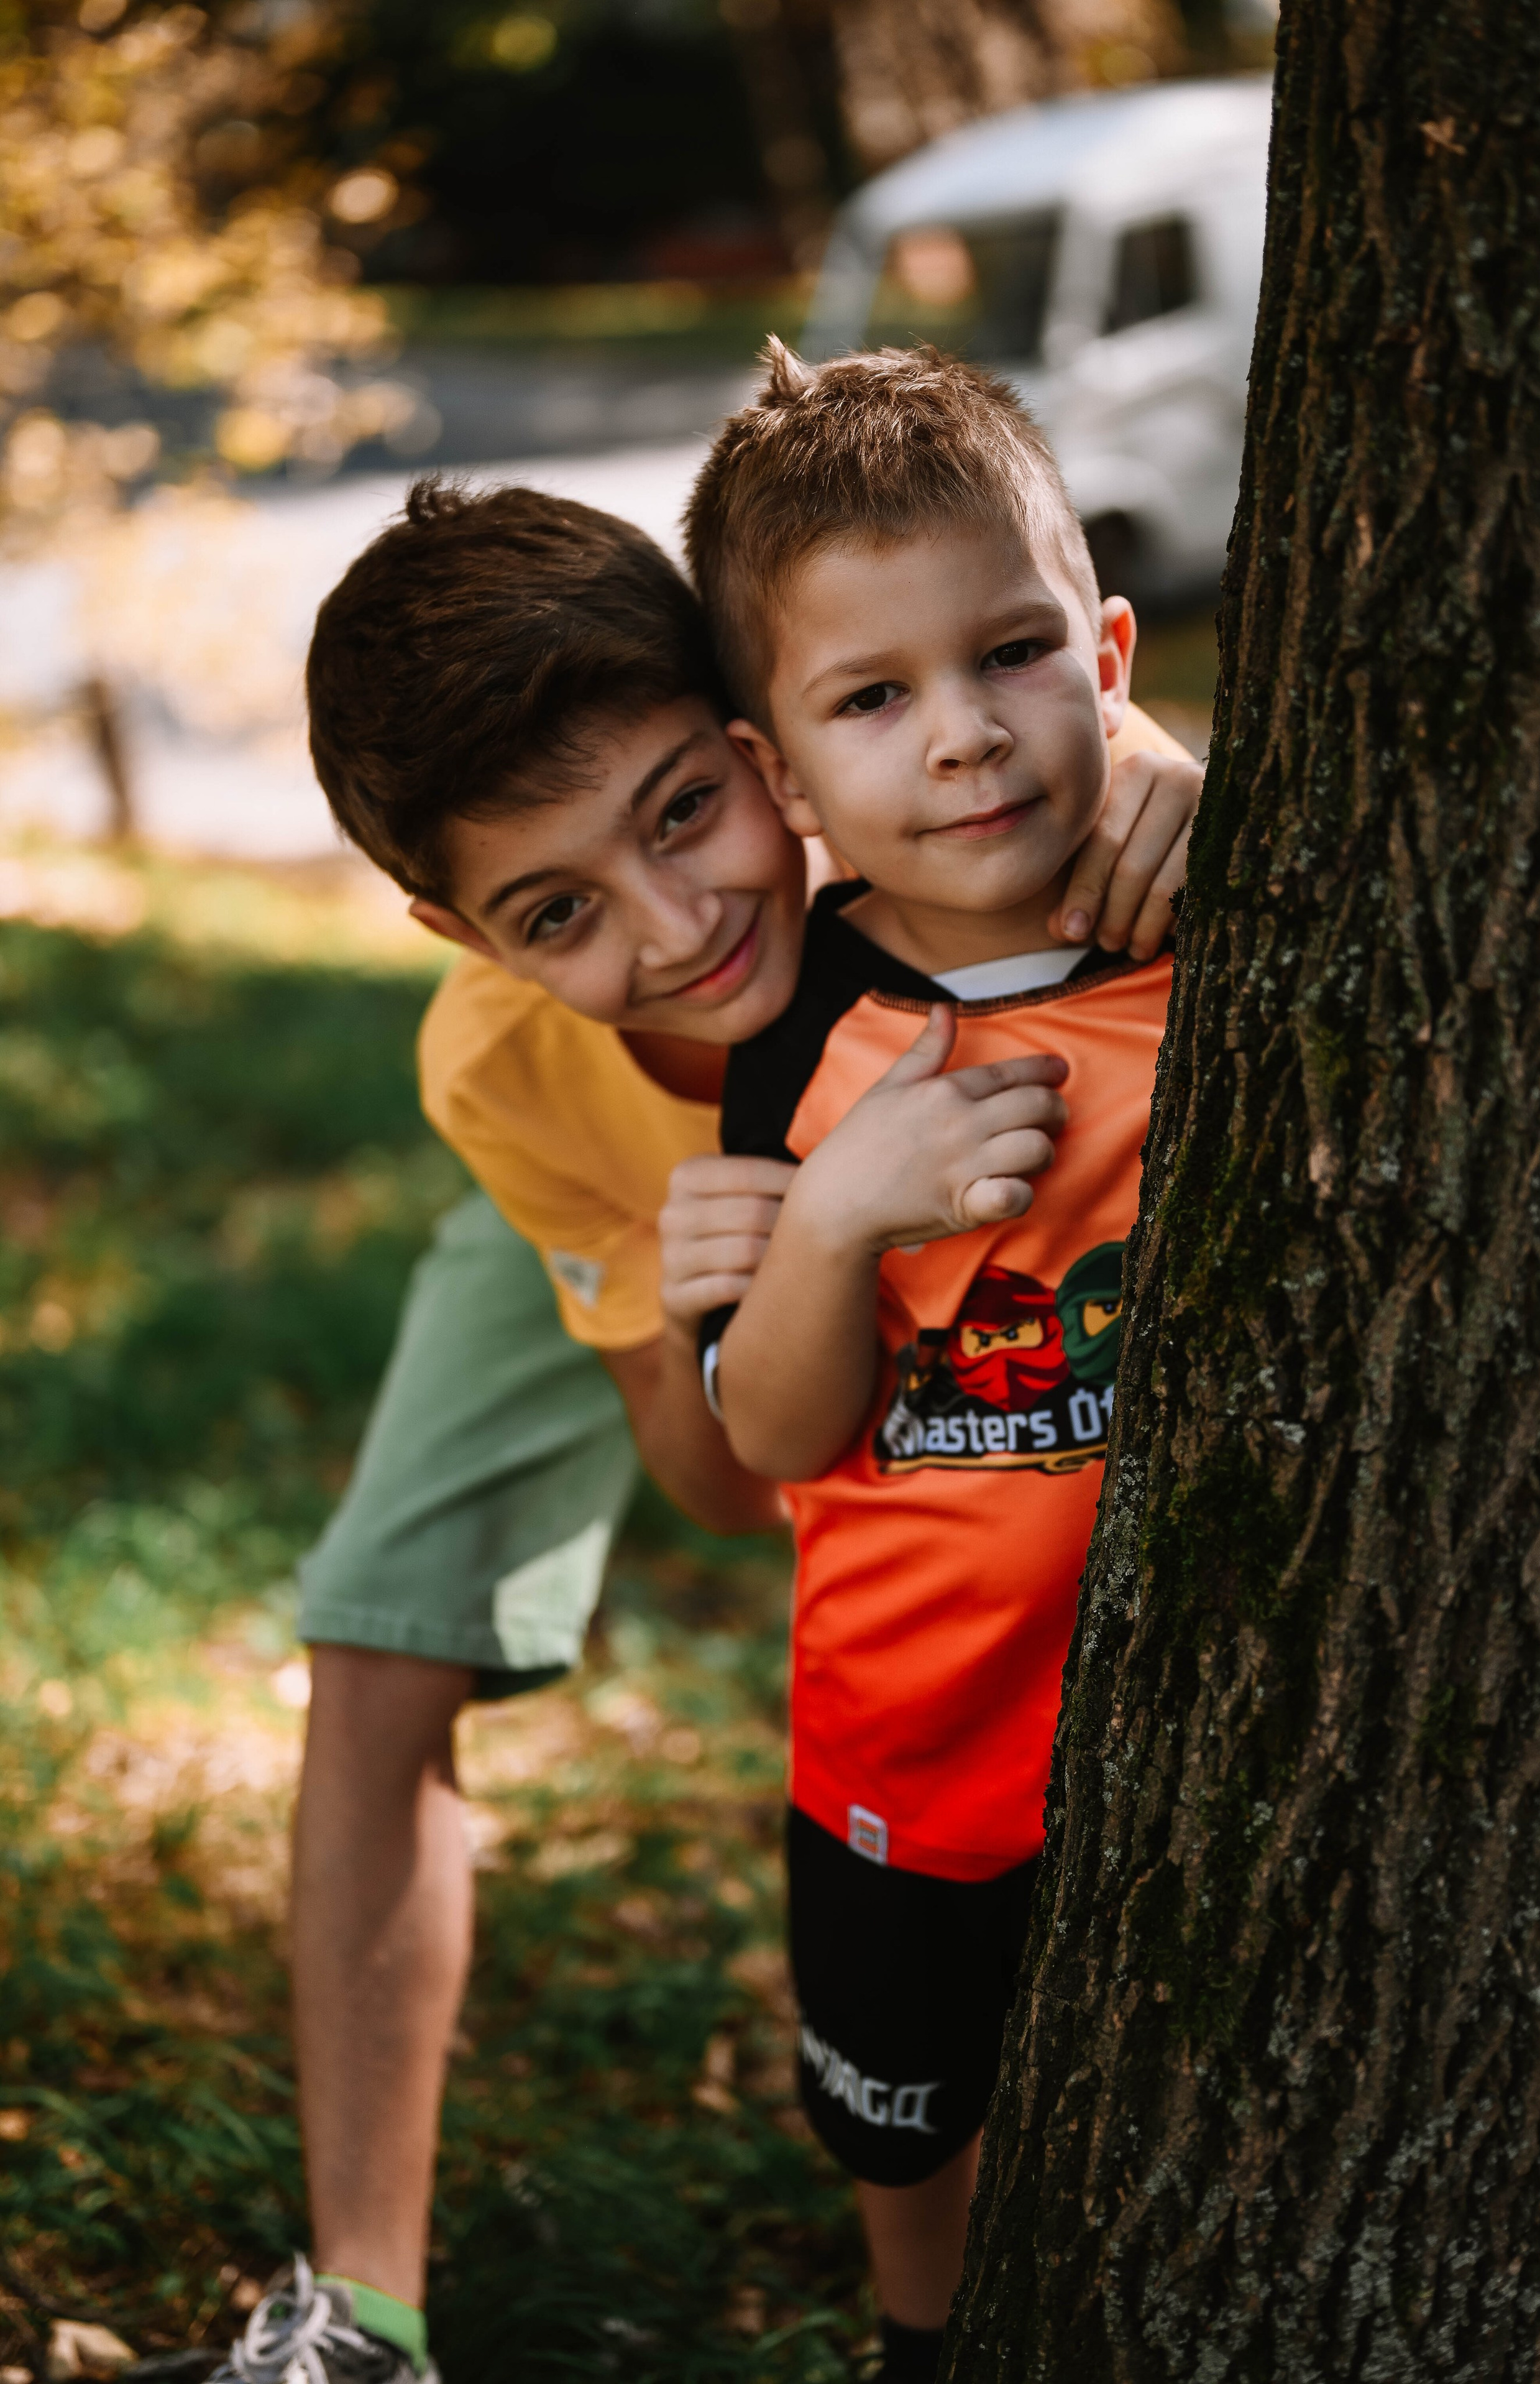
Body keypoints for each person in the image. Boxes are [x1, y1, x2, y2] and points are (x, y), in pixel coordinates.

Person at [203, 477, 1200, 2383]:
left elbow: (1003, 664)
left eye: (687, 809)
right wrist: (716, 1296)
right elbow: (737, 1488)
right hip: (668, 1221)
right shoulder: (510, 1054)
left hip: (921, 1157)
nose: (682, 922)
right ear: (457, 928)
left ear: (764, 731)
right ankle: (359, 2306)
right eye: (555, 905)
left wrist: (1161, 759)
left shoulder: (936, 821)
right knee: (379, 1625)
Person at [682, 341, 1176, 2379]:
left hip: (1199, 1702)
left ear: (1112, 651)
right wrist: (832, 1216)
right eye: (873, 701)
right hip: (916, 1732)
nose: (964, 740)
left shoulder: (1221, 919)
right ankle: (928, 2342)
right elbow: (773, 1432)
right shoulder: (797, 1050)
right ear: (786, 777)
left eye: (1012, 655)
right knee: (908, 2106)